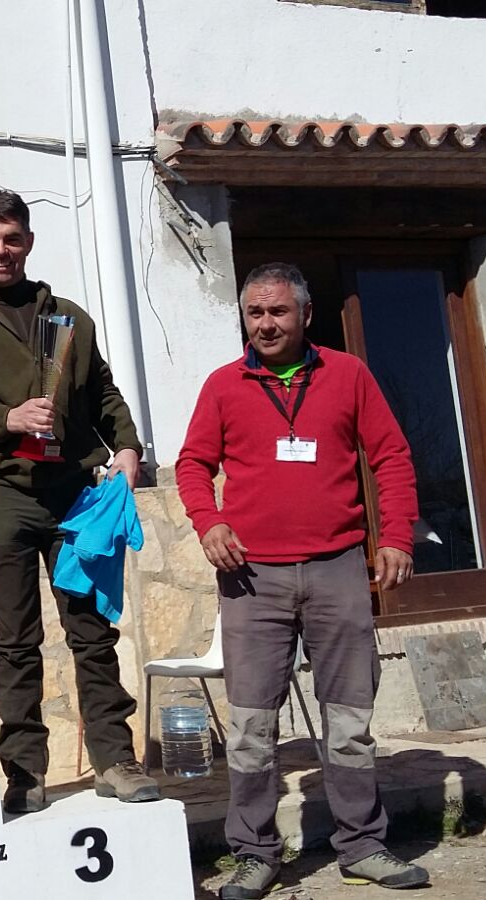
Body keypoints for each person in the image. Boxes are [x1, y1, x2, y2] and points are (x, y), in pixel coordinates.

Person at [174, 262, 430, 897]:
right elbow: (192, 463)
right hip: (251, 577)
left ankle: (362, 845)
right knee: (250, 727)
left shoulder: (349, 375)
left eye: (278, 312)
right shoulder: (223, 385)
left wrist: (396, 535)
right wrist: (209, 522)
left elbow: (392, 456)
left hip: (338, 566)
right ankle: (255, 853)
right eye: (255, 313)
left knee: (348, 719)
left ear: (305, 315)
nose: (265, 324)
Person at [0, 190, 158, 812]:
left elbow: (102, 392)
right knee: (16, 641)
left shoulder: (70, 318)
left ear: (28, 241)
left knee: (92, 633)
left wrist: (127, 446)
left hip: (76, 497)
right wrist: (8, 419)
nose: (1, 250)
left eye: (11, 238)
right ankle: (24, 775)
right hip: (3, 497)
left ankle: (115, 761)